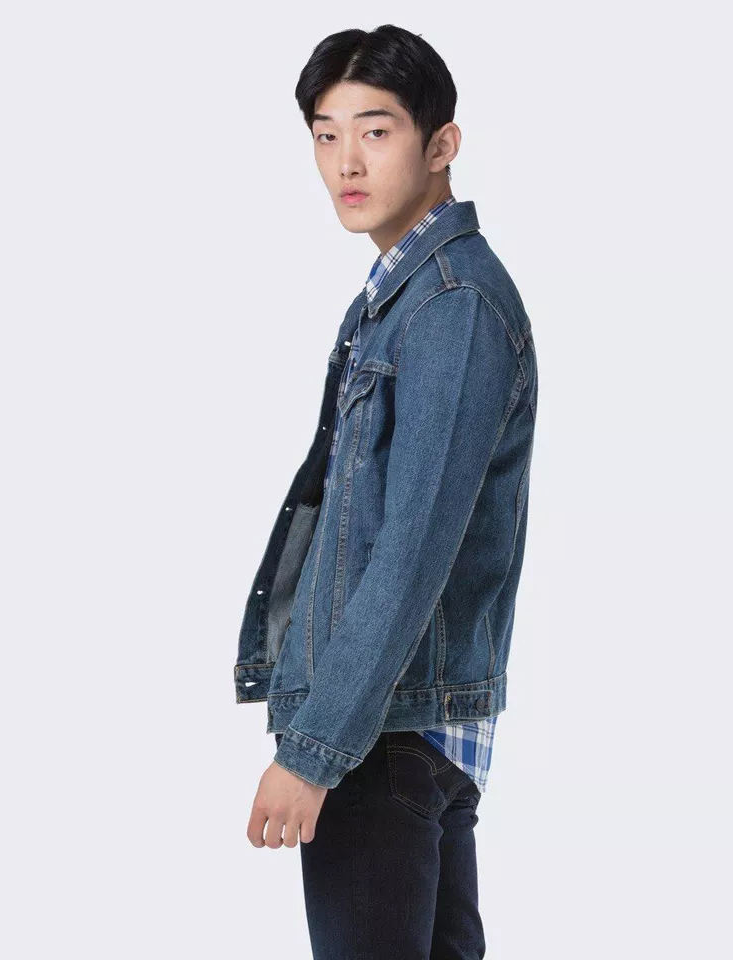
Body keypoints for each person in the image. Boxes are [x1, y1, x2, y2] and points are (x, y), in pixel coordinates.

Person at [234, 23, 538, 959]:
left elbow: (411, 550)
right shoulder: (406, 297)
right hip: (406, 732)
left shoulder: (450, 306)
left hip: (381, 738)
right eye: (326, 135)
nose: (346, 162)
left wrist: (313, 749)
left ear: (441, 143)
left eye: (375, 130)